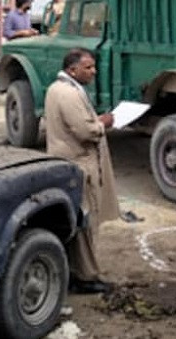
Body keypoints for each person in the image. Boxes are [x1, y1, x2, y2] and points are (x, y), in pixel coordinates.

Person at [43, 49, 120, 295]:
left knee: (79, 221)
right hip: (78, 165)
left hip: (70, 163)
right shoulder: (67, 93)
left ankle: (76, 272)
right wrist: (104, 122)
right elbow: (85, 132)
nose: (94, 72)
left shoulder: (60, 89)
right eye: (88, 67)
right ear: (72, 70)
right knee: (85, 221)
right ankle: (85, 277)